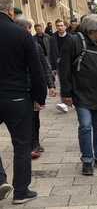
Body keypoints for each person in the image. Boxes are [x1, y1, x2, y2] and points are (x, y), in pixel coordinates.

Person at [0, 0, 47, 204]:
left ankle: (0, 179)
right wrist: (40, 96)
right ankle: (20, 191)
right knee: (21, 144)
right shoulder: (21, 34)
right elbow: (36, 70)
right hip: (16, 96)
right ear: (10, 10)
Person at [58, 14, 97, 176]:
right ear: (92, 31)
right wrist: (66, 93)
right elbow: (65, 69)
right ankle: (86, 160)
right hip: (81, 94)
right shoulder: (74, 41)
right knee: (85, 126)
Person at [15, 17, 56, 158]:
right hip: (21, 88)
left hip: (33, 87)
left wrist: (50, 84)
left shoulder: (36, 46)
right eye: (25, 28)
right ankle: (31, 145)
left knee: (35, 116)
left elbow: (44, 67)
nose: (28, 31)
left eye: (29, 28)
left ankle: (36, 142)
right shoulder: (14, 46)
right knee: (28, 116)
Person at [51, 18, 72, 113]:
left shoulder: (71, 38)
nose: (60, 27)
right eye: (58, 26)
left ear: (65, 26)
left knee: (73, 83)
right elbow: (51, 53)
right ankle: (63, 103)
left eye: (61, 25)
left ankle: (74, 100)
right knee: (62, 83)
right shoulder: (53, 38)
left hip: (70, 65)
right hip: (59, 65)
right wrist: (53, 67)